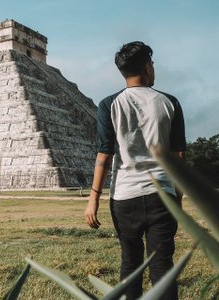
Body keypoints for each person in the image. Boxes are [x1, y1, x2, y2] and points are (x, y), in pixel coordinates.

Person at [84, 41, 186, 300]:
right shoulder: (169, 102)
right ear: (147, 66)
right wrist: (179, 198)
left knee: (130, 263)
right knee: (162, 266)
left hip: (124, 197)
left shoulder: (109, 104)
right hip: (162, 194)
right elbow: (179, 157)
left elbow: (105, 154)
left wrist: (93, 198)